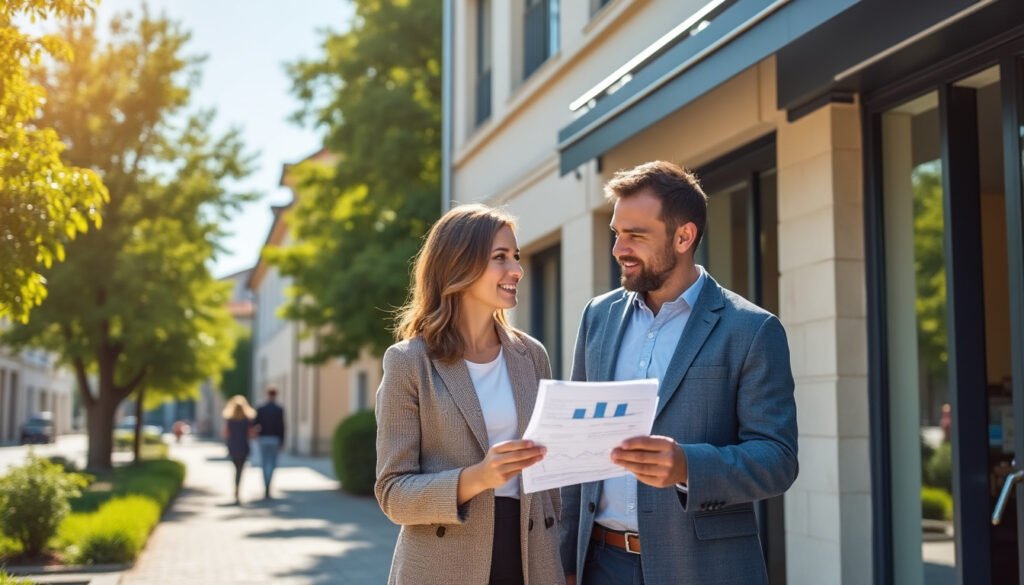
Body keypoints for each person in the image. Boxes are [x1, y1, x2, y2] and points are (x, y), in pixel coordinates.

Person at [559, 161, 798, 585]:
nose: (619, 248)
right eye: (617, 233)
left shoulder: (752, 329)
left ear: (684, 236)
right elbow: (578, 450)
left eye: (635, 235)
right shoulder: (597, 317)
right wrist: (564, 563)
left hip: (703, 569)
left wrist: (688, 465)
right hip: (601, 565)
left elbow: (777, 459)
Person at [375, 204, 564, 585]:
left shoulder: (532, 355)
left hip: (533, 558)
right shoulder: (409, 362)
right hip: (445, 563)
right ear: (459, 264)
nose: (516, 270)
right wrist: (478, 477)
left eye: (516, 257)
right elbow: (393, 493)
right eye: (500, 258)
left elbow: (553, 482)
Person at [222, 395, 256, 504]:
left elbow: (226, 433)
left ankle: (236, 487)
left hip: (233, 446)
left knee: (236, 468)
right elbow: (251, 433)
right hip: (243, 446)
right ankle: (238, 487)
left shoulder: (230, 419)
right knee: (240, 469)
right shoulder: (247, 420)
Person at [254, 387, 285, 500]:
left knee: (264, 463)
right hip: (275, 439)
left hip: (263, 438)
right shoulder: (279, 409)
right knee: (272, 464)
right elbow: (282, 426)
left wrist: (257, 435)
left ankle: (266, 485)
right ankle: (268, 485)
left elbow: (255, 424)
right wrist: (282, 441)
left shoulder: (261, 408)